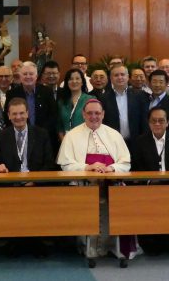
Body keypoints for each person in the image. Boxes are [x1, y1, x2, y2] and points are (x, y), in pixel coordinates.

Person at [58, 99, 131, 258]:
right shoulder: (72, 135)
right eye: (89, 113)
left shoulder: (114, 134)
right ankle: (88, 246)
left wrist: (111, 168)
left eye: (97, 113)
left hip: (111, 184)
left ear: (103, 114)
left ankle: (115, 247)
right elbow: (65, 164)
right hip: (83, 185)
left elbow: (125, 163)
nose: (93, 116)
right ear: (83, 114)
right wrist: (86, 168)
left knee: (125, 199)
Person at [131, 107, 169, 257]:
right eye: (154, 121)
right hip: (150, 187)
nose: (157, 124)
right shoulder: (140, 141)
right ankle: (158, 241)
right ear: (149, 123)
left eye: (161, 121)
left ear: (167, 123)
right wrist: (148, 181)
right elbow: (135, 168)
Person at [5, 61, 58, 152]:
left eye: (31, 74)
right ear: (20, 77)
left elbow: (53, 115)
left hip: (44, 139)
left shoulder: (47, 92)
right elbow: (7, 116)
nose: (28, 76)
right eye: (25, 74)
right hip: (19, 139)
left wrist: (40, 133)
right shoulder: (12, 93)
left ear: (36, 76)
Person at [0, 98, 56, 173]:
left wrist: (34, 181)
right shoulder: (1, 136)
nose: (18, 117)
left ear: (27, 113)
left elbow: (49, 164)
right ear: (9, 115)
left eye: (21, 113)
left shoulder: (41, 134)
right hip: (11, 182)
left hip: (36, 181)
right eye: (14, 114)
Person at [100, 64, 148, 150]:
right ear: (110, 78)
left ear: (128, 77)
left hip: (136, 143)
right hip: (112, 144)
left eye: (122, 74)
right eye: (116, 75)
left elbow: (144, 120)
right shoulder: (103, 98)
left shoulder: (140, 95)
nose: (120, 77)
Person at [57, 68, 95, 136]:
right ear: (67, 82)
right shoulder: (61, 102)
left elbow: (94, 122)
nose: (74, 81)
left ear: (82, 82)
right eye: (71, 79)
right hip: (66, 139)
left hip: (86, 138)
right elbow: (59, 125)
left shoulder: (90, 100)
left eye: (77, 78)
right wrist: (64, 141)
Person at [147, 69, 169, 135]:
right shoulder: (144, 100)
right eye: (154, 82)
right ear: (149, 84)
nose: (157, 85)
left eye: (161, 82)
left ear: (166, 84)